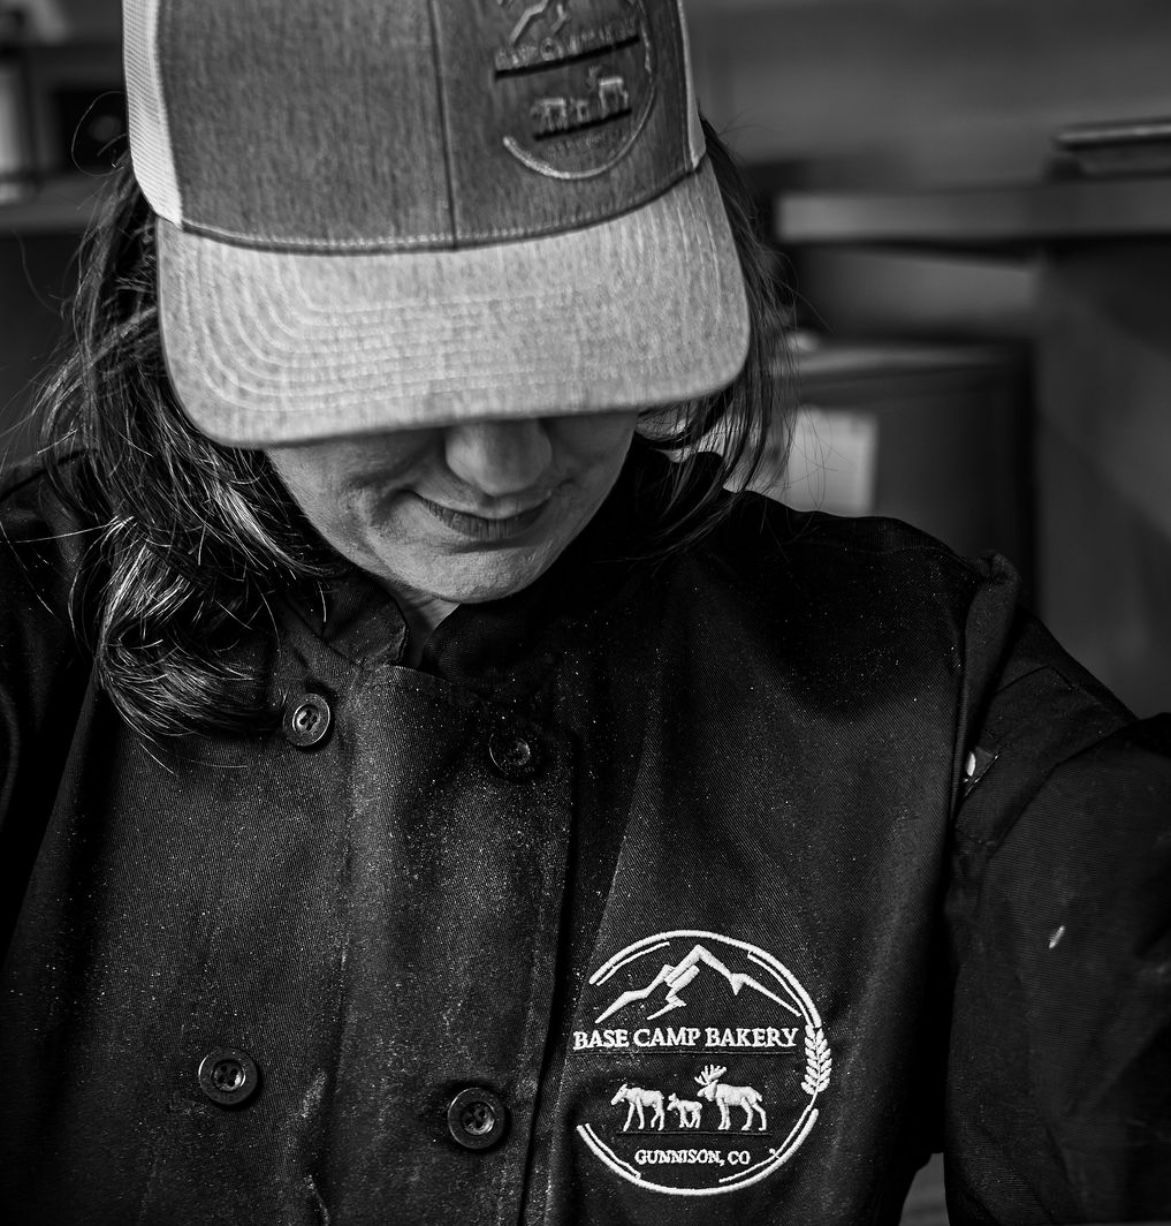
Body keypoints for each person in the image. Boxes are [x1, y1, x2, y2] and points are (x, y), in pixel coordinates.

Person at [1, 1, 1168, 1222]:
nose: (503, 469)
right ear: (165, 294)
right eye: (395, 368)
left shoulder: (921, 674)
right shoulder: (27, 634)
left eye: (582, 342)